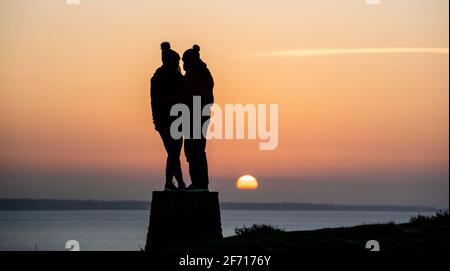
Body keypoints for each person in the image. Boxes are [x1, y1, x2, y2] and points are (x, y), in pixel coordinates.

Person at [150, 42, 186, 191]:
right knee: (174, 152)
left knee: (174, 152)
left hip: (171, 120)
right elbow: (157, 101)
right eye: (176, 62)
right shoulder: (167, 78)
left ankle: (178, 182)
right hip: (170, 120)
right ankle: (170, 182)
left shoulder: (159, 77)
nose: (178, 64)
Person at [182, 44, 214, 192]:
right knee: (195, 150)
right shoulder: (201, 73)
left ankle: (199, 183)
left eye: (185, 61)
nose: (183, 64)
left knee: (194, 150)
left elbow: (191, 95)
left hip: (196, 116)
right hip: (197, 115)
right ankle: (200, 183)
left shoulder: (196, 74)